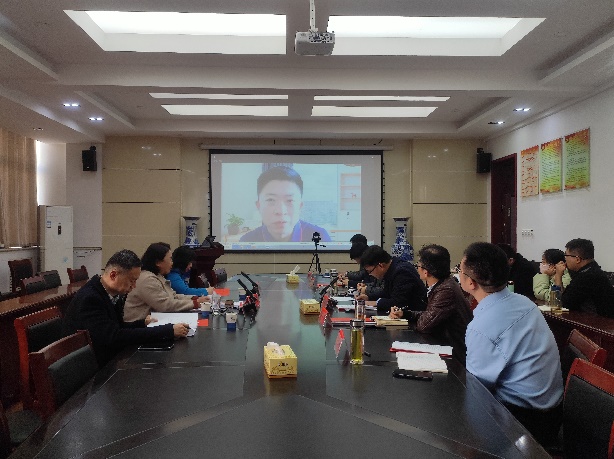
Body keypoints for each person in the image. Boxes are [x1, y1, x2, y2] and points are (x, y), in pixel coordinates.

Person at [460, 242, 563, 445]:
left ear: (471, 283)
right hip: (551, 412)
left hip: (522, 423)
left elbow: (478, 391)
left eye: (460, 270)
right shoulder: (523, 302)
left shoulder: (482, 328)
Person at [62, 249, 190, 366]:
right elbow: (114, 337)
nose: (134, 286)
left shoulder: (110, 292)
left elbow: (117, 327)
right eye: (131, 280)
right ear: (113, 275)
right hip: (95, 366)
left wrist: (142, 323)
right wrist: (167, 331)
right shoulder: (91, 298)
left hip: (108, 356)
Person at [389, 244, 472, 365]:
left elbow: (424, 325)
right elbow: (430, 315)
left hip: (454, 357)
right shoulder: (444, 284)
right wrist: (405, 314)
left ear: (426, 272)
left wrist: (411, 317)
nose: (417, 269)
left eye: (418, 266)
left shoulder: (446, 291)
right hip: (445, 347)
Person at [239, 166, 331, 242]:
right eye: (270, 200)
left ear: (300, 206)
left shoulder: (320, 238)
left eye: (290, 200)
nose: (281, 211)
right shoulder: (247, 241)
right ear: (259, 206)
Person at [123, 243, 209, 322]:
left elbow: (173, 296)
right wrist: (195, 303)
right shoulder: (147, 279)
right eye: (170, 259)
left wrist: (194, 298)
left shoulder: (157, 276)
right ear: (158, 262)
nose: (172, 263)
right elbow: (165, 305)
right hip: (139, 325)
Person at [356, 245, 426, 314]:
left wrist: (376, 303)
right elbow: (387, 292)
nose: (370, 275)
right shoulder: (392, 267)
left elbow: (398, 303)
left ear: (380, 266)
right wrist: (368, 297)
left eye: (370, 271)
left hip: (414, 316)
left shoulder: (402, 272)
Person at [559, 238, 614, 317]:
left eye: (566, 256)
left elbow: (563, 303)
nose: (565, 259)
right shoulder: (592, 269)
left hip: (597, 322)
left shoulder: (587, 276)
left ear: (577, 259)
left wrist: (558, 276)